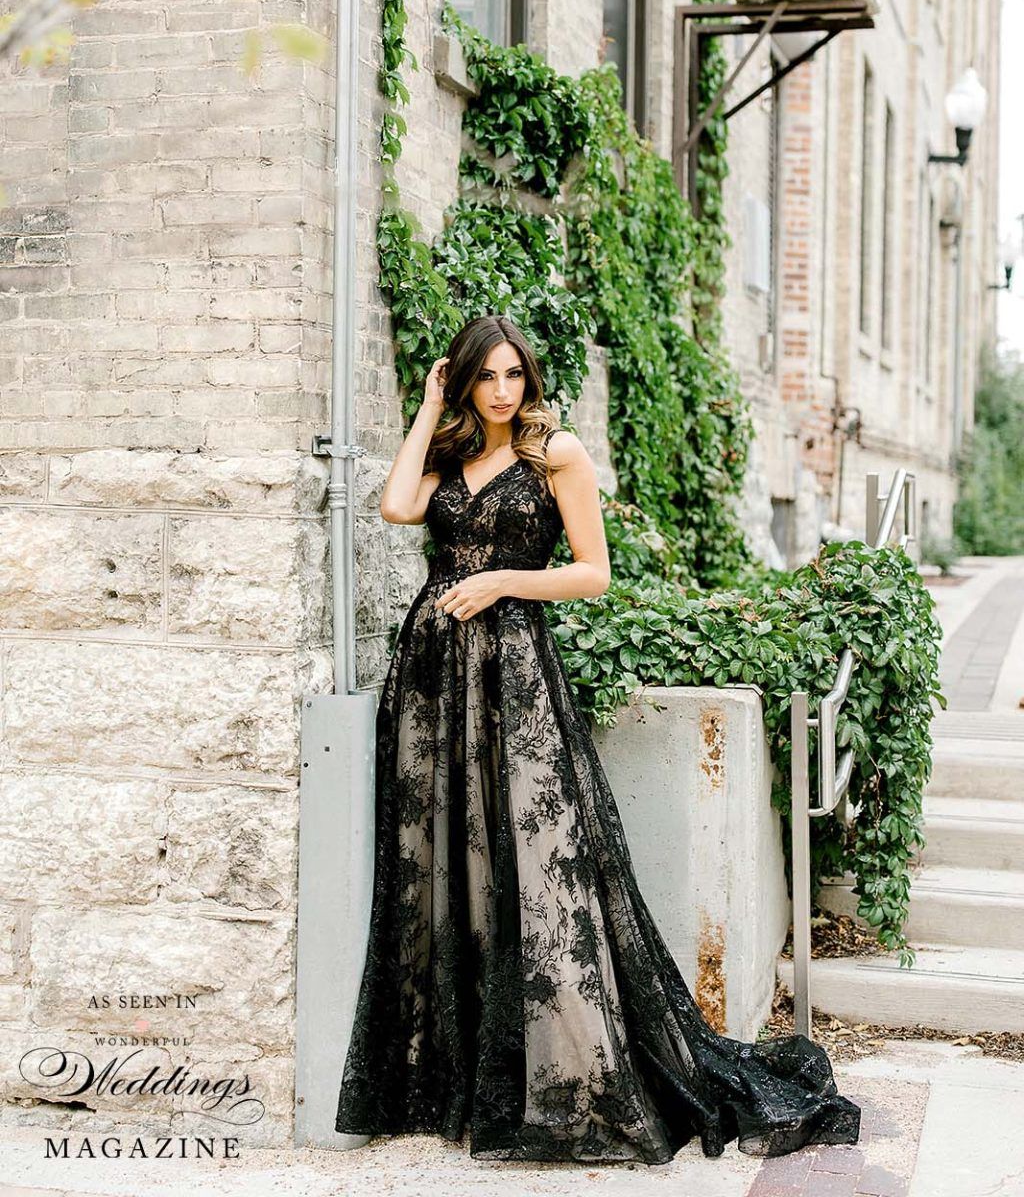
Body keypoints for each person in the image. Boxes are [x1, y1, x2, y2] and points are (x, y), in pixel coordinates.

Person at [334, 313, 861, 1165]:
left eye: (513, 376)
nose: (502, 391)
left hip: (514, 672)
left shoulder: (557, 455)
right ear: (465, 381)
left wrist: (502, 579)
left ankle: (564, 1077)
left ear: (528, 379)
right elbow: (397, 507)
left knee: (543, 866)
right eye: (485, 377)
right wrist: (427, 405)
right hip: (433, 679)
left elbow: (594, 571)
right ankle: (468, 1080)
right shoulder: (446, 449)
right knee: (443, 866)